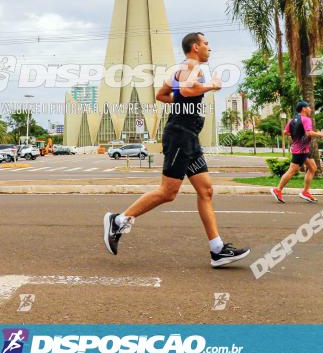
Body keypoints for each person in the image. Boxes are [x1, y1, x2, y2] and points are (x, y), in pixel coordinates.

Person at [102, 32, 251, 268]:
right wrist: (212, 85)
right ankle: (118, 220)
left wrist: (183, 99)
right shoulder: (193, 66)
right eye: (206, 44)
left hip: (188, 135)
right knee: (168, 192)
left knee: (206, 190)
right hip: (181, 135)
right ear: (195, 47)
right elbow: (188, 90)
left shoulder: (179, 69)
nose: (209, 48)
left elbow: (162, 95)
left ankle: (217, 250)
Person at [271, 101, 323, 204]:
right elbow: (309, 133)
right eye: (308, 107)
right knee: (292, 170)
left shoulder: (292, 120)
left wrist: (296, 136)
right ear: (304, 109)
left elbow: (285, 132)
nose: (310, 109)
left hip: (304, 149)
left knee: (313, 168)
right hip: (300, 150)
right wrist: (319, 134)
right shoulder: (306, 119)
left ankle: (305, 192)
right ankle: (277, 190)